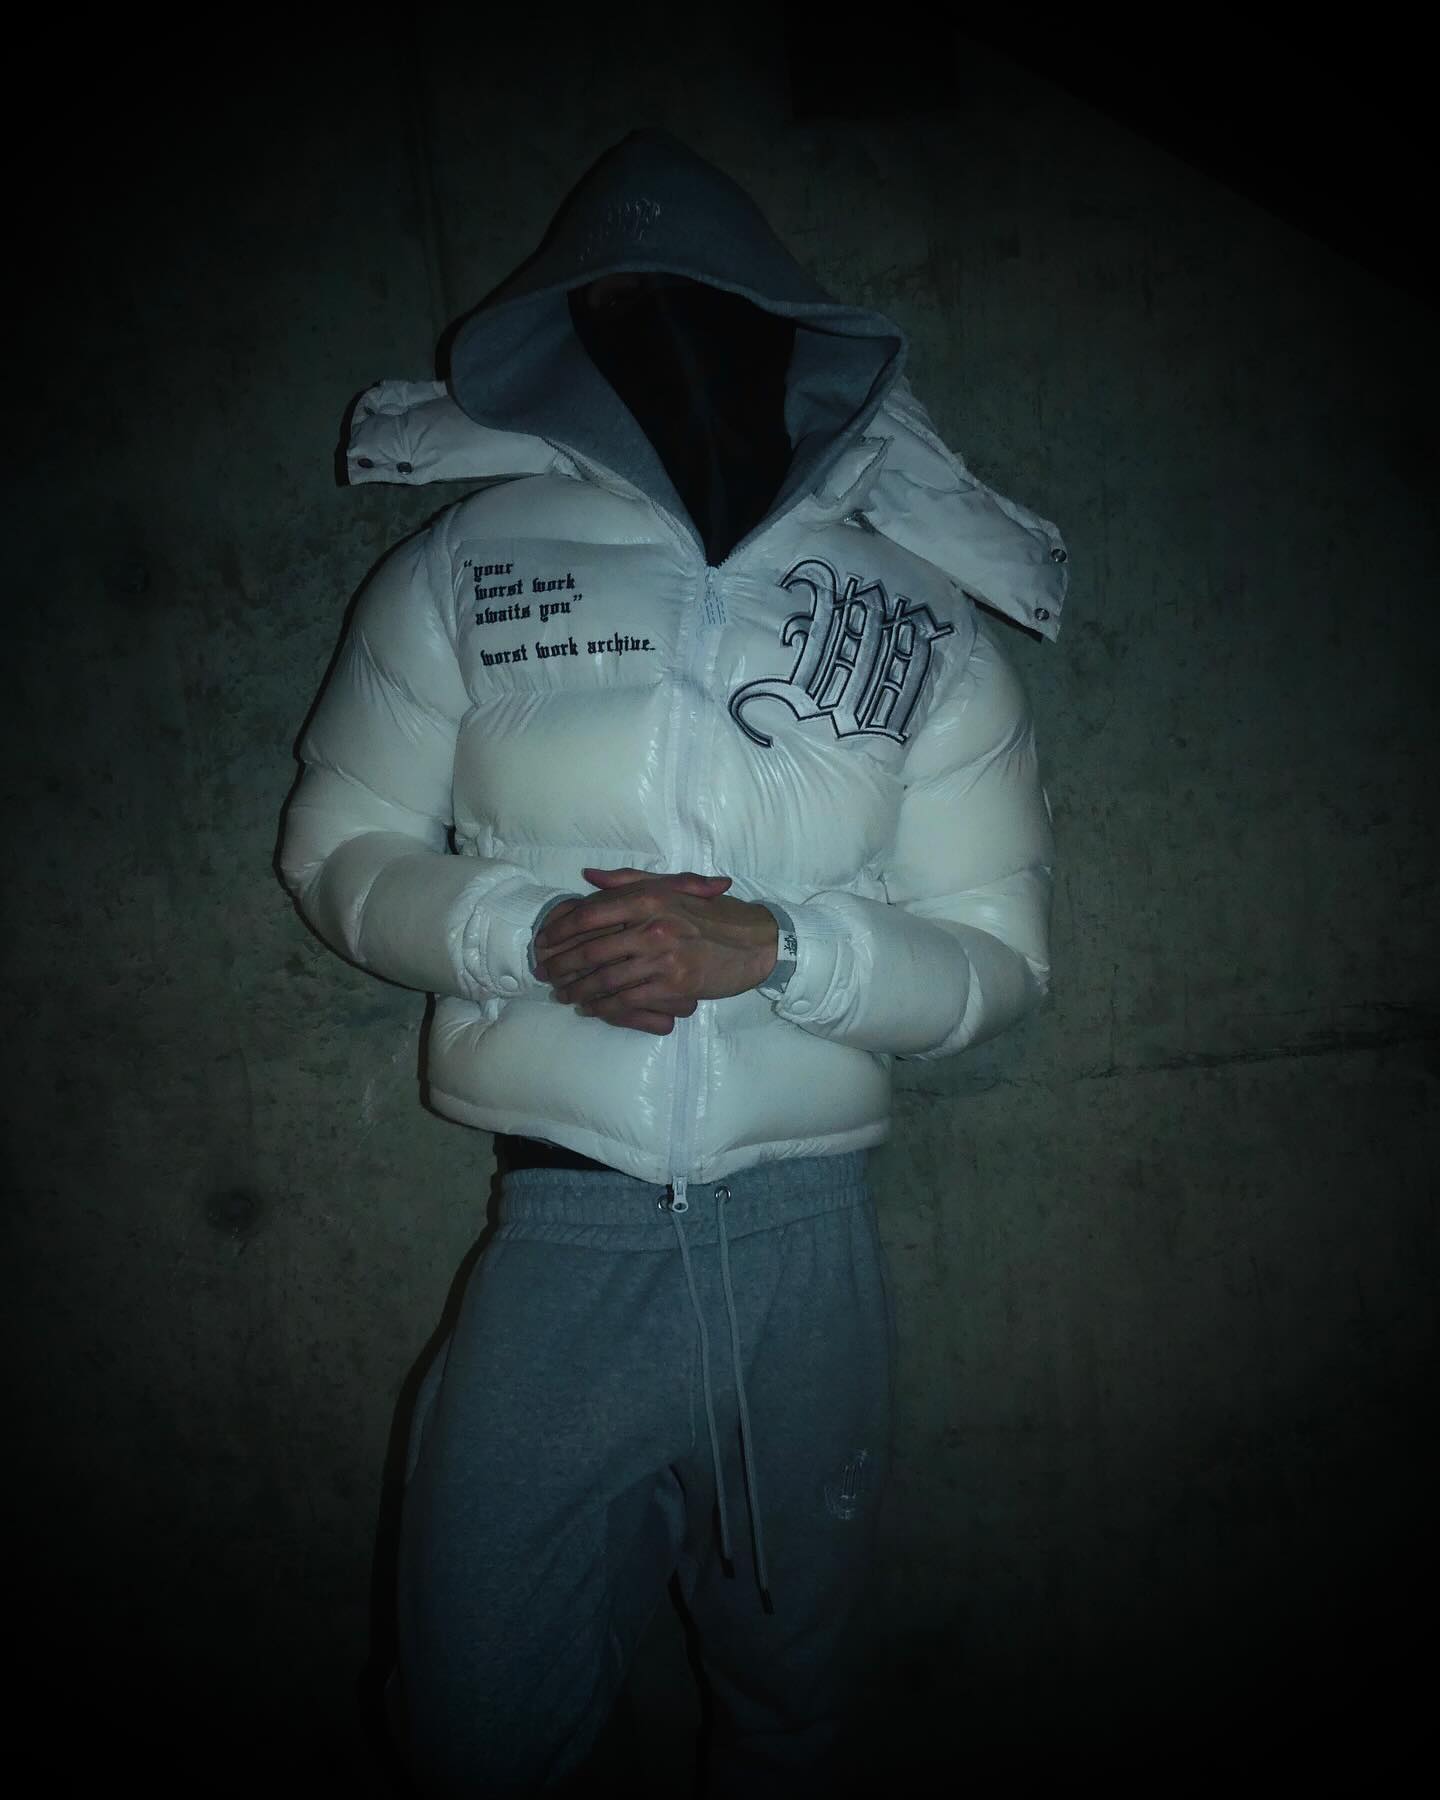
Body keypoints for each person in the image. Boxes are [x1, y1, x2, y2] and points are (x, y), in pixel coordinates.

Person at [279, 127, 1066, 1797]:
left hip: (806, 1257)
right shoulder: (463, 572)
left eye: (699, 311)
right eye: (618, 311)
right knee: (472, 1718)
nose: (661, 346)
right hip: (561, 1232)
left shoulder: (918, 623)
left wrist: (780, 948)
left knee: (794, 1710)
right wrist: (524, 937)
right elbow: (338, 850)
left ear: (794, 338)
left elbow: (998, 961)